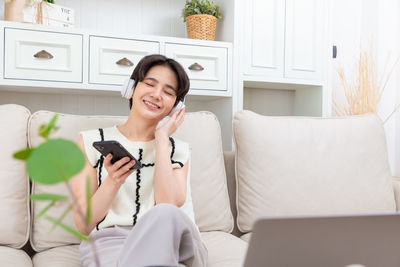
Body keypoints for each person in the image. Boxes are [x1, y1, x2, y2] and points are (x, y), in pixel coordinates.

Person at [71, 54, 208, 267]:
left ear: (176, 106)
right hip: (111, 244)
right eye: (150, 84)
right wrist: (113, 181)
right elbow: (83, 225)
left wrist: (162, 139)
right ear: (131, 88)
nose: (156, 95)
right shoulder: (90, 141)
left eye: (168, 92)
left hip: (171, 241)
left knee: (165, 213)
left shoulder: (178, 150)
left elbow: (167, 205)